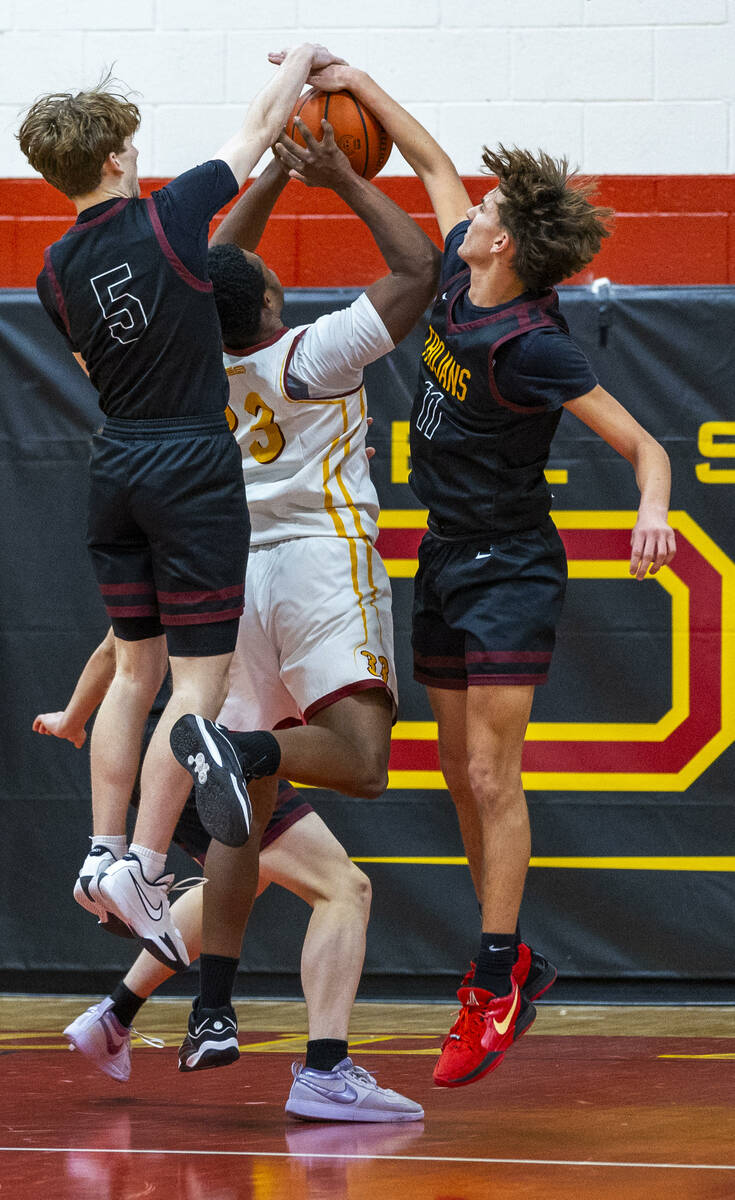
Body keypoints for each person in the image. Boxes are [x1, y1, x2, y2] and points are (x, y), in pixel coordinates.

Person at [258, 55, 677, 1089]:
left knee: (490, 774)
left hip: (508, 564)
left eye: (484, 207)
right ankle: (514, 960)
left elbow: (641, 444)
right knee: (452, 772)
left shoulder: (532, 344)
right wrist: (354, 76)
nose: (469, 204)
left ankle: (493, 977)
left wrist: (653, 506)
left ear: (504, 243)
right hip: (443, 551)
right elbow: (431, 155)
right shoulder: (457, 263)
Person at [37, 118, 438, 1121]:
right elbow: (416, 269)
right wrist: (340, 172)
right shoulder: (313, 351)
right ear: (266, 300)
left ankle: (178, 1008)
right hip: (314, 571)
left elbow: (217, 270)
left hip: (224, 574)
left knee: (240, 823)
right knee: (351, 760)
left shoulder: (177, 367)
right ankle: (245, 768)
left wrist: (80, 706)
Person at [16, 45, 344, 974]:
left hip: (113, 461)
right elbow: (256, 126)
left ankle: (102, 851)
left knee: (133, 671)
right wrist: (307, 61)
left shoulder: (50, 270)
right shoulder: (169, 216)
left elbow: (93, 367)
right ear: (118, 156)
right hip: (189, 459)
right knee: (195, 692)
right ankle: (149, 867)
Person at [38, 633, 422, 1122]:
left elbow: (114, 646)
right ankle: (325, 1070)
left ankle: (116, 1015)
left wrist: (73, 716)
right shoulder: (236, 563)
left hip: (153, 748)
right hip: (206, 750)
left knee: (239, 882)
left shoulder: (178, 571)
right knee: (343, 887)